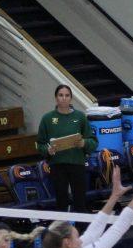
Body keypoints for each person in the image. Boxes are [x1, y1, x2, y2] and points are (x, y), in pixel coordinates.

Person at [36, 84, 97, 214]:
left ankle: (81, 230)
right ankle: (62, 231)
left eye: (67, 95)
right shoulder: (47, 119)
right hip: (58, 165)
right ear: (56, 98)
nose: (64, 98)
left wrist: (83, 143)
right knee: (61, 201)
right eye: (61, 95)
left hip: (77, 163)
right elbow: (40, 144)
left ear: (71, 98)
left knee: (80, 201)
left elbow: (93, 141)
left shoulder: (80, 117)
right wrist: (47, 150)